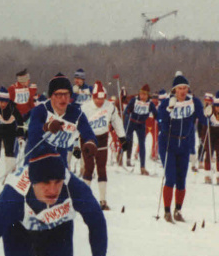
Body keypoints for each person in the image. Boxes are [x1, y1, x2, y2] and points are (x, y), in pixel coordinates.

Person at [157, 71, 207, 222]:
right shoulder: (166, 103)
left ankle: (178, 210)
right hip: (168, 143)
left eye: (185, 88)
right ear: (174, 90)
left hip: (184, 144)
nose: (182, 91)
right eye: (179, 88)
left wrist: (210, 114)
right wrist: (168, 111)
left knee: (181, 179)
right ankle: (167, 211)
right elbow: (161, 122)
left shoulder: (194, 102)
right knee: (170, 177)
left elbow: (203, 119)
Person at [24, 73, 97, 169]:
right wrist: (47, 126)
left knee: (68, 182)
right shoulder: (41, 110)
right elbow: (33, 132)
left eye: (66, 94)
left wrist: (90, 142)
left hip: (60, 160)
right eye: (59, 95)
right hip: (36, 159)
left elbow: (88, 132)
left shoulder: (76, 114)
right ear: (51, 96)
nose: (63, 99)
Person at [80, 81, 127, 210]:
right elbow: (76, 126)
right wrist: (75, 146)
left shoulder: (109, 107)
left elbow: (116, 121)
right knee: (89, 168)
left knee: (101, 168)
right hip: (88, 139)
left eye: (102, 99)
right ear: (93, 97)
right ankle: (85, 199)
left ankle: (102, 200)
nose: (100, 102)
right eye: (97, 99)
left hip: (102, 138)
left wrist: (122, 137)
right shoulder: (85, 108)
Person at [123, 84, 156, 176]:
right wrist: (128, 112)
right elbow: (126, 111)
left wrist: (159, 119)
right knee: (127, 139)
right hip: (131, 122)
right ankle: (121, 156)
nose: (142, 96)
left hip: (141, 124)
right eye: (141, 94)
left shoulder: (150, 103)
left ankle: (142, 167)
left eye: (144, 95)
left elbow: (156, 114)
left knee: (142, 144)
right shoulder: (134, 100)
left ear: (148, 95)